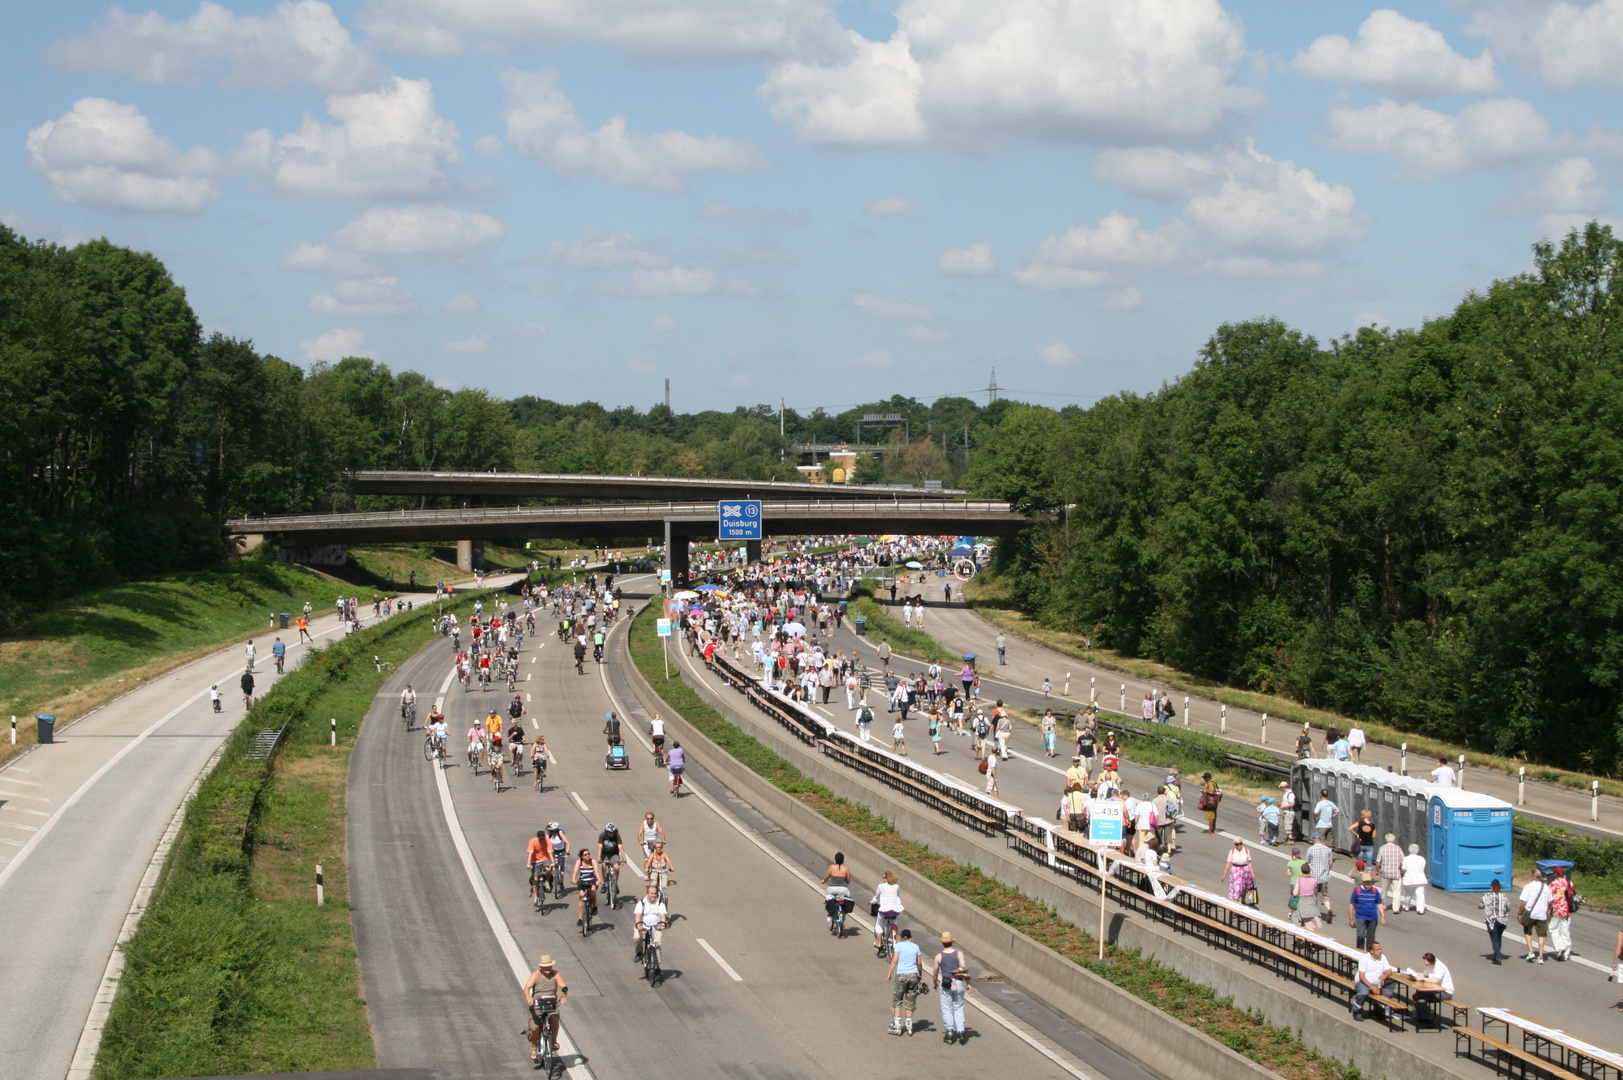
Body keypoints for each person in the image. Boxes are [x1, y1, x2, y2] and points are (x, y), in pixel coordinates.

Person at [523, 954, 569, 1063]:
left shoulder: (556, 974)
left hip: (551, 1002)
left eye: (549, 966)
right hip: (538, 1003)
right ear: (541, 967)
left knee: (555, 1019)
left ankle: (553, 1041)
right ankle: (534, 1046)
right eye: (545, 966)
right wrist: (529, 997)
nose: (548, 968)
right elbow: (527, 988)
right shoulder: (535, 974)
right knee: (534, 1028)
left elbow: (564, 986)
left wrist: (563, 996)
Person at [929, 930, 972, 1044]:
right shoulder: (959, 954)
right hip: (958, 982)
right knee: (958, 1006)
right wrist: (967, 983)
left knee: (946, 1007)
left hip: (946, 983)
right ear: (952, 942)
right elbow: (963, 969)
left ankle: (949, 1031)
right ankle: (961, 1031)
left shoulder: (939, 956)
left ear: (942, 943)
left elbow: (935, 972)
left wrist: (934, 982)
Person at [887, 928, 924, 1036]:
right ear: (910, 937)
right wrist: (920, 975)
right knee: (910, 1000)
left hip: (901, 975)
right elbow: (919, 963)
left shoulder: (899, 946)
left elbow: (895, 960)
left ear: (901, 937)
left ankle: (897, 1024)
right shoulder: (916, 947)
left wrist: (889, 973)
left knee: (898, 999)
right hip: (913, 975)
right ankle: (909, 1024)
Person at [1351, 942, 1395, 1020]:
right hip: (1363, 983)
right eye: (1377, 949)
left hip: (1377, 985)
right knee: (1363, 993)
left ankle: (1378, 1011)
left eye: (1380, 949)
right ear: (1371, 951)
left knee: (1388, 994)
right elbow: (1361, 977)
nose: (1380, 951)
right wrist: (1371, 987)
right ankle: (1357, 1012)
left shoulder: (1383, 958)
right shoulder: (1365, 959)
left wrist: (1385, 975)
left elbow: (1389, 970)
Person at [1519, 868, 1552, 962]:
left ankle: (1531, 951)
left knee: (1527, 931)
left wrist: (1520, 912)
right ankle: (1541, 956)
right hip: (1542, 914)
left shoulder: (1528, 886)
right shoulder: (1546, 887)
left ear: (1533, 877)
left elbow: (1524, 901)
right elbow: (1550, 901)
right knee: (1541, 935)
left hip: (1530, 913)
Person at [1414, 952, 1454, 1027]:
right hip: (1435, 990)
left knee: (1421, 997)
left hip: (1445, 992)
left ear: (1430, 961)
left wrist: (1423, 979)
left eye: (1426, 963)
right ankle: (1423, 1016)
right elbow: (1424, 974)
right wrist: (1415, 974)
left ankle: (1429, 1019)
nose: (1426, 964)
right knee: (1417, 996)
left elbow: (1436, 980)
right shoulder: (1430, 966)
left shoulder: (1439, 967)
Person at [633, 884, 668, 965]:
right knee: (637, 938)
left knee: (657, 945)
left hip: (655, 928)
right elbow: (638, 915)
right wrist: (638, 925)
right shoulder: (641, 903)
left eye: (655, 894)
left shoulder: (660, 903)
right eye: (651, 893)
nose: (653, 895)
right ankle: (639, 953)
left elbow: (663, 915)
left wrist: (663, 924)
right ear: (647, 894)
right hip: (643, 927)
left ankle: (657, 967)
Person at [1349, 874, 1385, 950]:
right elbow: (1352, 905)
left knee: (1371, 939)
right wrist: (1351, 919)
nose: (1368, 884)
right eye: (1366, 882)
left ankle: (1369, 955)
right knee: (1361, 935)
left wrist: (1383, 916)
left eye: (1369, 882)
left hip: (1372, 918)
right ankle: (1359, 952)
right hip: (1360, 916)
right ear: (1362, 882)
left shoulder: (1374, 891)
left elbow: (1379, 903)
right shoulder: (1357, 891)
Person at [1548, 865, 1576, 961]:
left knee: (1553, 929)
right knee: (1565, 931)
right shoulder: (1570, 883)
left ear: (1555, 874)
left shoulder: (1552, 885)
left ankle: (1560, 948)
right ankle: (1566, 954)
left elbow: (1549, 898)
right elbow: (1572, 893)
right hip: (1567, 910)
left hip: (1556, 910)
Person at [1480, 878, 1511, 963]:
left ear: (1491, 887)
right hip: (1502, 921)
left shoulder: (1486, 896)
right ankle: (1497, 953)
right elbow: (1508, 908)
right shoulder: (1504, 897)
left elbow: (1480, 905)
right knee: (1498, 937)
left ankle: (1497, 957)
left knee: (1494, 938)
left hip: (1492, 921)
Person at [873, 870, 904, 951]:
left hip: (884, 911)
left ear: (887, 878)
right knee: (894, 923)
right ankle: (893, 937)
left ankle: (879, 943)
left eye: (884, 877)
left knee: (879, 925)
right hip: (894, 910)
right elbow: (897, 896)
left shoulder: (881, 886)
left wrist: (873, 901)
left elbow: (876, 896)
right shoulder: (896, 886)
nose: (883, 879)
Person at [1307, 833, 1336, 919]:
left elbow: (1307, 862)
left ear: (1313, 840)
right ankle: (1329, 909)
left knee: (1313, 895)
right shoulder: (1327, 849)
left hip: (1314, 876)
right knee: (1324, 894)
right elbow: (1330, 863)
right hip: (1324, 877)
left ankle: (1313, 912)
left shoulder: (1310, 849)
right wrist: (1327, 870)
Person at [1374, 834, 1404, 913]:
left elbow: (1378, 862)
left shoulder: (1382, 848)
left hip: (1385, 872)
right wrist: (1400, 868)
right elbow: (1403, 860)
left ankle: (1384, 905)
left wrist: (1377, 870)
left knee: (1384, 889)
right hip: (1396, 872)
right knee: (1397, 890)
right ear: (1394, 840)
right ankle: (1396, 908)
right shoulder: (1398, 848)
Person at [597, 822, 625, 900]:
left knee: (616, 867)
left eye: (612, 832)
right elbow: (599, 847)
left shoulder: (617, 835)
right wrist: (599, 859)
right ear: (606, 831)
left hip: (614, 853)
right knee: (603, 866)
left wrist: (624, 858)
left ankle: (615, 883)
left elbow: (620, 847)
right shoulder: (602, 835)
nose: (611, 834)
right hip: (604, 853)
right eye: (609, 832)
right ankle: (603, 883)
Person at [1225, 839, 1256, 904]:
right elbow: (1229, 862)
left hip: (1245, 870)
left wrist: (1252, 873)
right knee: (1237, 886)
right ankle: (1236, 900)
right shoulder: (1232, 851)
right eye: (1237, 844)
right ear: (1235, 845)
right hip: (1235, 870)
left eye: (1240, 843)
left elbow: (1249, 862)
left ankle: (1243, 900)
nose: (1239, 845)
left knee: (1244, 886)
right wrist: (1224, 873)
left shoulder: (1246, 850)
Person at [644, 840, 675, 905]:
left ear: (662, 847)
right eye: (657, 847)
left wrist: (671, 867)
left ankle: (665, 907)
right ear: (655, 848)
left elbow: (668, 861)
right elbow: (648, 862)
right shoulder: (652, 855)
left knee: (664, 888)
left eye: (660, 847)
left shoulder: (664, 854)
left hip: (663, 871)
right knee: (653, 884)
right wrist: (647, 869)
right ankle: (649, 900)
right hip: (654, 871)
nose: (658, 849)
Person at [573, 849, 598, 926]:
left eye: (588, 854)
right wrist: (573, 879)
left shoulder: (592, 861)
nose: (588, 855)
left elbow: (596, 872)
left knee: (592, 892)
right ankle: (580, 918)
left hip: (592, 880)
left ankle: (594, 906)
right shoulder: (579, 862)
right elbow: (575, 871)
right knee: (581, 898)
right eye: (585, 854)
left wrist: (599, 880)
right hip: (582, 882)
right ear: (581, 856)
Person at [1401, 843, 1428, 914]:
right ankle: (1420, 909)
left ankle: (1406, 906)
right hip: (1420, 878)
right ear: (1418, 850)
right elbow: (1423, 868)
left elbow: (1403, 869)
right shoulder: (1422, 859)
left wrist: (1401, 875)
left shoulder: (1406, 859)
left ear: (1409, 850)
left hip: (1409, 878)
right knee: (1420, 894)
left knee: (1408, 894)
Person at [527, 830, 553, 904]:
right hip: (535, 861)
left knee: (548, 869)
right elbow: (530, 853)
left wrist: (553, 862)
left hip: (545, 859)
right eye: (540, 838)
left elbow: (550, 852)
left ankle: (546, 882)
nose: (542, 840)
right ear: (537, 837)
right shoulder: (532, 841)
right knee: (535, 879)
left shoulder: (547, 841)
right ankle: (535, 897)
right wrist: (528, 863)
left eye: (543, 838)